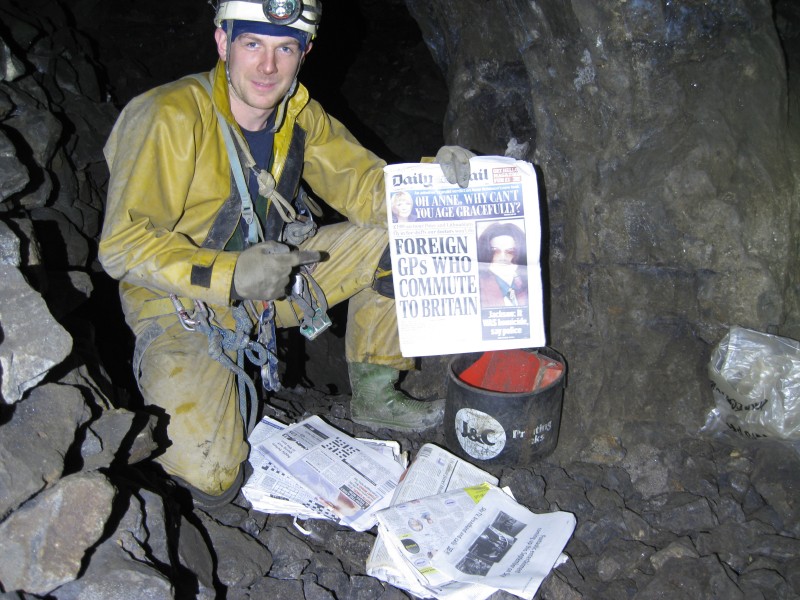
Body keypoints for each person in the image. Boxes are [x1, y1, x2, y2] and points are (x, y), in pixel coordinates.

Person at [98, 0, 474, 507]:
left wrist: (439, 182)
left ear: (304, 54)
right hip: (180, 304)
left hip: (275, 280)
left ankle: (374, 394)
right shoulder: (168, 116)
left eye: (285, 49)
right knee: (210, 478)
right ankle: (193, 380)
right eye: (252, 44)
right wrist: (231, 275)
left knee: (401, 236)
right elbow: (123, 245)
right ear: (222, 43)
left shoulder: (299, 115)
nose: (267, 66)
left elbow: (366, 188)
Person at [476, 221, 528, 307]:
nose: (502, 258)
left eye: (510, 251)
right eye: (495, 251)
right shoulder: (479, 287)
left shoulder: (524, 284)